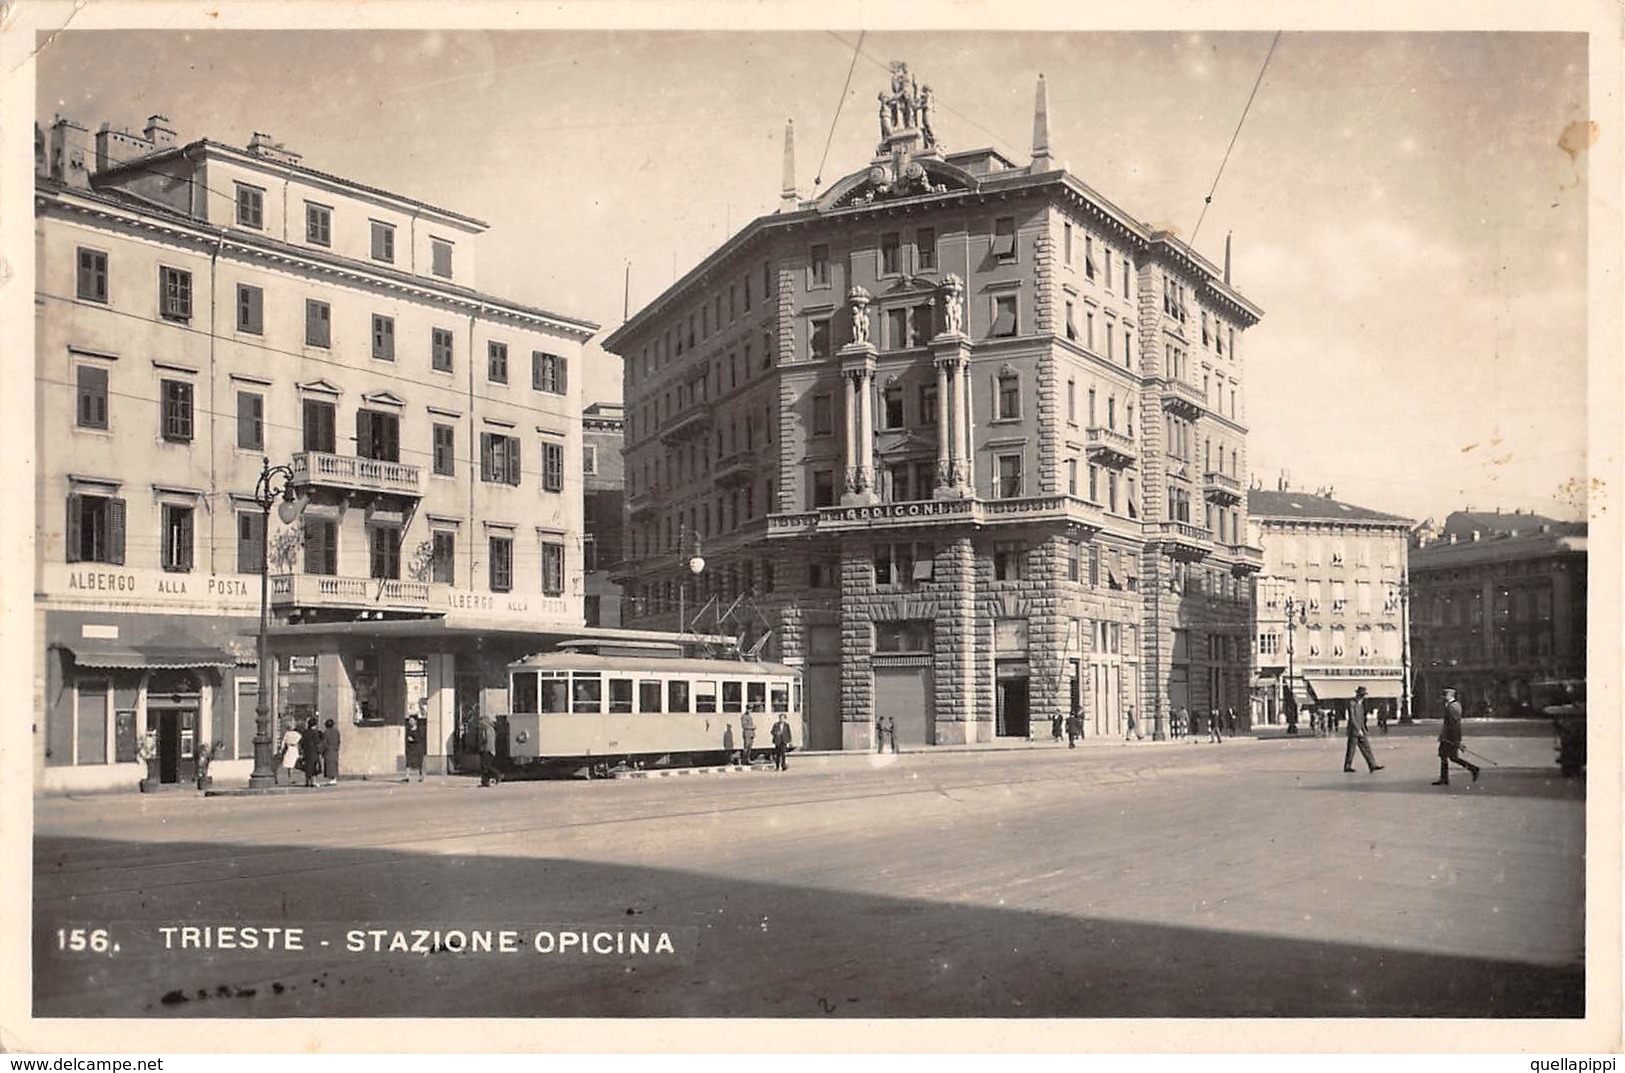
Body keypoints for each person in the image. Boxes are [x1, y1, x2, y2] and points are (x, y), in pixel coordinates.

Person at [1434, 686, 1481, 786]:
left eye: (1444, 695)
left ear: (1450, 695)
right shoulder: (1452, 705)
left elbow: (1453, 724)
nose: (1443, 697)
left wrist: (1455, 739)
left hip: (1450, 737)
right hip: (1448, 736)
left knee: (1450, 757)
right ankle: (1444, 778)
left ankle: (1473, 769)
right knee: (1445, 756)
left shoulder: (1453, 706)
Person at [1342, 685, 1384, 774]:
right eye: (1362, 695)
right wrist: (1358, 729)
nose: (1363, 697)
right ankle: (1347, 766)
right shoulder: (1352, 703)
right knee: (1351, 749)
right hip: (1354, 730)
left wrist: (1364, 728)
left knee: (1367, 747)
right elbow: (1352, 718)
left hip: (1361, 729)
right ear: (1358, 695)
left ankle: (1372, 764)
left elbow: (1362, 718)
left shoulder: (1361, 704)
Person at [477, 713, 502, 787]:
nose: (480, 723)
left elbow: (485, 739)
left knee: (485, 766)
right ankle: (485, 782)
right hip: (490, 750)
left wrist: (481, 746)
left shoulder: (486, 729)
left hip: (486, 750)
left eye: (481, 721)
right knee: (485, 767)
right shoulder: (491, 729)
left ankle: (497, 775)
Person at [278, 718, 302, 787]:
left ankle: (290, 778)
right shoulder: (297, 734)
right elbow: (300, 742)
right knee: (295, 764)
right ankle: (294, 778)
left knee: (289, 765)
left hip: (289, 749)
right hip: (295, 748)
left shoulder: (287, 734)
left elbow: (283, 743)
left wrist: (281, 750)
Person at [299, 716, 322, 787]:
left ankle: (307, 781)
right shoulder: (315, 733)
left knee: (308, 767)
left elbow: (302, 743)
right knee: (314, 767)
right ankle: (313, 781)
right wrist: (319, 751)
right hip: (314, 752)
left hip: (306, 752)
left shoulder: (305, 733)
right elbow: (317, 743)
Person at [404, 715, 426, 782]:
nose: (410, 722)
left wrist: (413, 739)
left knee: (419, 762)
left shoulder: (419, 729)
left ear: (415, 722)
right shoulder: (408, 729)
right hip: (410, 748)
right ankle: (407, 776)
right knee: (408, 761)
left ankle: (421, 776)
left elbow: (421, 738)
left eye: (412, 721)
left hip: (418, 747)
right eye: (410, 721)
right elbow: (406, 738)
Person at [321, 718, 342, 786]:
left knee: (329, 764)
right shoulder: (336, 732)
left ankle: (331, 779)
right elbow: (339, 741)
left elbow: (324, 742)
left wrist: (321, 751)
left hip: (328, 750)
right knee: (334, 764)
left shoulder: (326, 732)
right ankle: (334, 778)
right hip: (335, 750)